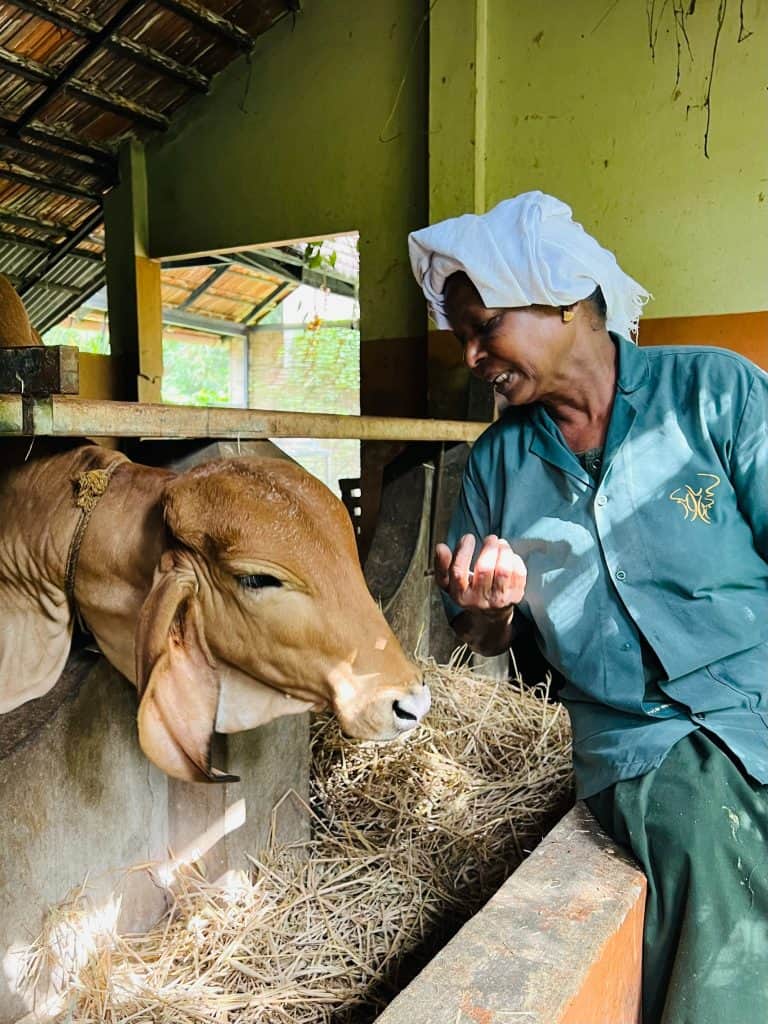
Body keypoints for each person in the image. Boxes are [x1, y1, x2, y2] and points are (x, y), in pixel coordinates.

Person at [408, 191, 768, 1024]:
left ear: (563, 301)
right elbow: (478, 638)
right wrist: (487, 609)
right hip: (640, 739)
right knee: (711, 854)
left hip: (757, 693)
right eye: (461, 335)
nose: (471, 356)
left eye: (483, 327)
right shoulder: (498, 465)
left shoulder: (715, 393)